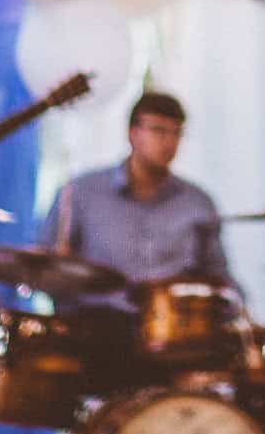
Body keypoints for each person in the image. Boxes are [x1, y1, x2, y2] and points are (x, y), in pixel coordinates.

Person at [39, 89, 237, 297]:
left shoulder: (197, 202)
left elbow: (219, 277)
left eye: (176, 133)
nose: (169, 142)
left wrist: (236, 302)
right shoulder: (81, 191)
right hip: (97, 313)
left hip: (173, 315)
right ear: (132, 133)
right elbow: (43, 267)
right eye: (159, 130)